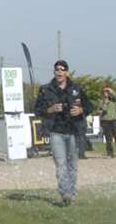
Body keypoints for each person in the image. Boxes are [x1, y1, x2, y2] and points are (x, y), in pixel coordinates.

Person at [33, 61, 92, 206]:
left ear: (67, 72)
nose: (59, 72)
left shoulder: (76, 88)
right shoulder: (46, 89)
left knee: (72, 164)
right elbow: (37, 110)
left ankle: (71, 193)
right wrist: (50, 109)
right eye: (56, 70)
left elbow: (90, 106)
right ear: (54, 72)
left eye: (62, 70)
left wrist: (81, 110)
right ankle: (64, 192)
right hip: (56, 132)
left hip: (73, 131)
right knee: (60, 164)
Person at [98, 87, 116, 158]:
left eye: (107, 92)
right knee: (108, 138)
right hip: (105, 121)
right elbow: (99, 111)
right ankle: (110, 153)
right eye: (104, 92)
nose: (106, 93)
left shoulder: (114, 101)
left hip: (113, 120)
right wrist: (104, 105)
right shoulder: (101, 102)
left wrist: (110, 90)